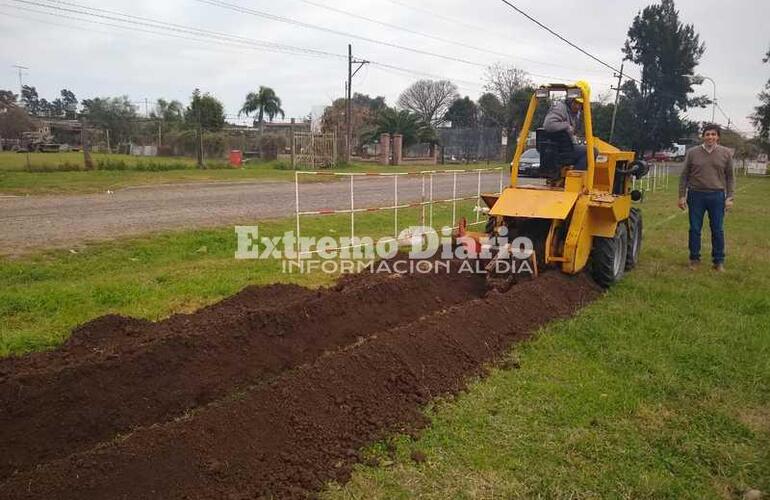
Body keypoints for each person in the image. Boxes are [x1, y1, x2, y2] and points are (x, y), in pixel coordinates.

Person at [678, 124, 735, 272]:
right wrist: (681, 196)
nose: (710, 137)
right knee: (695, 229)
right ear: (703, 136)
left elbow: (730, 177)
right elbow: (684, 176)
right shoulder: (692, 153)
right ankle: (694, 259)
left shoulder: (726, 153)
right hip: (696, 195)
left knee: (717, 229)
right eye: (707, 134)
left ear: (718, 137)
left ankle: (718, 261)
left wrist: (730, 197)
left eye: (713, 134)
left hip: (717, 196)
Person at [542, 96, 589, 170]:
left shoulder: (574, 113)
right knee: (591, 152)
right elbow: (548, 124)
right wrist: (567, 126)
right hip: (561, 149)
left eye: (580, 104)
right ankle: (574, 177)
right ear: (570, 100)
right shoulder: (560, 108)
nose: (577, 106)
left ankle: (566, 175)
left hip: (564, 147)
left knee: (584, 149)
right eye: (576, 103)